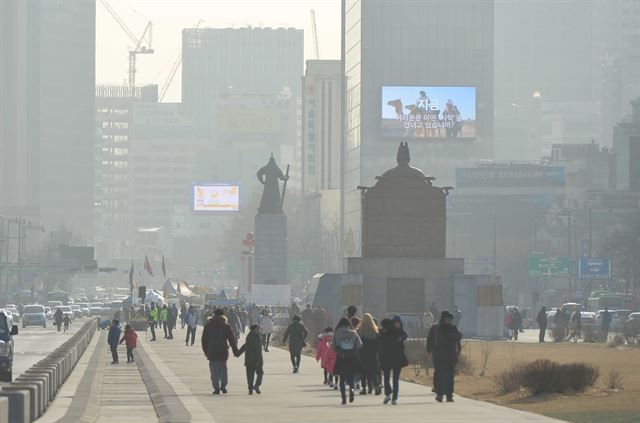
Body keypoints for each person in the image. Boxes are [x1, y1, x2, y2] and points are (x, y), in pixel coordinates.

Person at [427, 311, 462, 403]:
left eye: (450, 320)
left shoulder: (453, 328)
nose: (448, 321)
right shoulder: (437, 328)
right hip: (439, 356)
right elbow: (435, 339)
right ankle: (440, 394)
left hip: (451, 357)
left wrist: (458, 350)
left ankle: (449, 395)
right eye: (447, 319)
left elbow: (458, 338)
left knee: (450, 377)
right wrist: (429, 349)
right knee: (440, 376)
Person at [201, 309, 239, 394]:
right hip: (223, 351)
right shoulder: (226, 326)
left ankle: (216, 388)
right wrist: (235, 350)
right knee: (223, 369)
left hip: (212, 351)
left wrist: (206, 351)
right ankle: (223, 386)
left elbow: (204, 340)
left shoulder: (208, 326)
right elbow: (232, 340)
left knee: (214, 370)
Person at [332, 317, 362, 405]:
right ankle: (352, 389)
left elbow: (333, 346)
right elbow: (360, 345)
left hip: (341, 357)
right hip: (352, 357)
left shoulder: (337, 333)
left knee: (342, 379)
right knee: (351, 376)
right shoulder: (353, 333)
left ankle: (344, 397)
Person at [380, 317, 408, 405]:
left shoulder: (398, 332)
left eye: (398, 323)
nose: (397, 325)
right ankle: (389, 395)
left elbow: (405, 336)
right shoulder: (388, 332)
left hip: (394, 358)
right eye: (396, 323)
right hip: (390, 357)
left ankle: (393, 397)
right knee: (388, 378)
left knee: (394, 378)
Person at [357, 313, 381, 395]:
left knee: (364, 372)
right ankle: (376, 385)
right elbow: (378, 344)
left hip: (363, 354)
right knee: (373, 371)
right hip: (373, 353)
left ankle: (364, 388)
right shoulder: (375, 331)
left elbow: (357, 344)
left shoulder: (359, 331)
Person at [236, 324, 264, 395]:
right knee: (260, 373)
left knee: (250, 375)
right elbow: (257, 350)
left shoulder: (249, 337)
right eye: (258, 329)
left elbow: (245, 346)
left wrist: (238, 353)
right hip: (256, 360)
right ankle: (257, 385)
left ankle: (250, 389)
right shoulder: (256, 338)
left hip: (248, 360)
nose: (259, 331)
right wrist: (259, 360)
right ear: (254, 330)